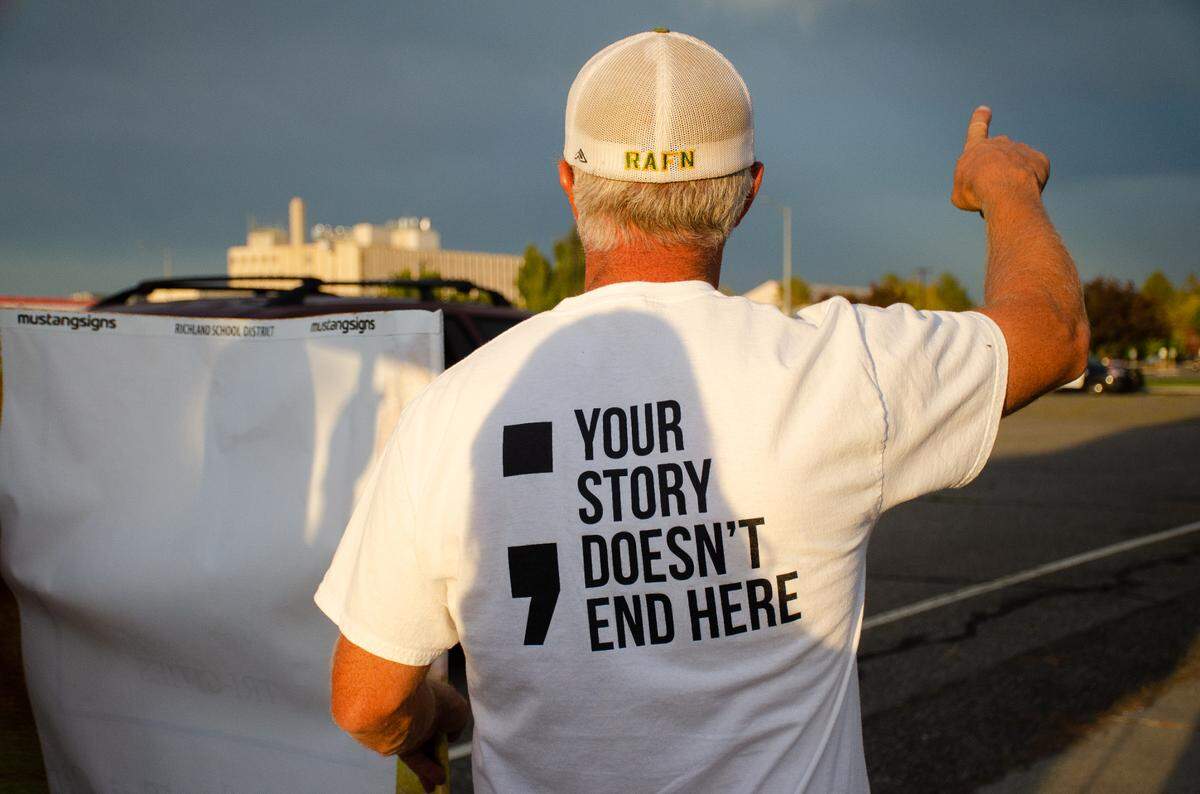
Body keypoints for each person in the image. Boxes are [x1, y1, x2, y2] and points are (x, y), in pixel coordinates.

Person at [315, 30, 1087, 793]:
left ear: (570, 183)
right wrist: (1004, 183)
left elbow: (368, 703)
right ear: (747, 193)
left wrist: (440, 717)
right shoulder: (841, 370)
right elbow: (1054, 332)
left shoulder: (454, 413)